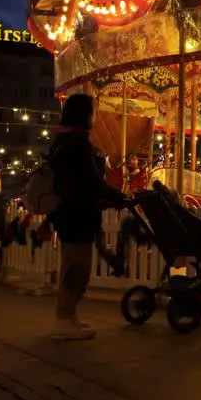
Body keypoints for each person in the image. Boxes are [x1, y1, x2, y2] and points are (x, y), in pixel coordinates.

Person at [48, 93, 126, 340]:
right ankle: (64, 318)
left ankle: (69, 317)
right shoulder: (76, 145)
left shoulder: (65, 141)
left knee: (74, 266)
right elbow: (89, 181)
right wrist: (116, 196)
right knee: (76, 269)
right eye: (92, 112)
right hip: (77, 213)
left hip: (71, 213)